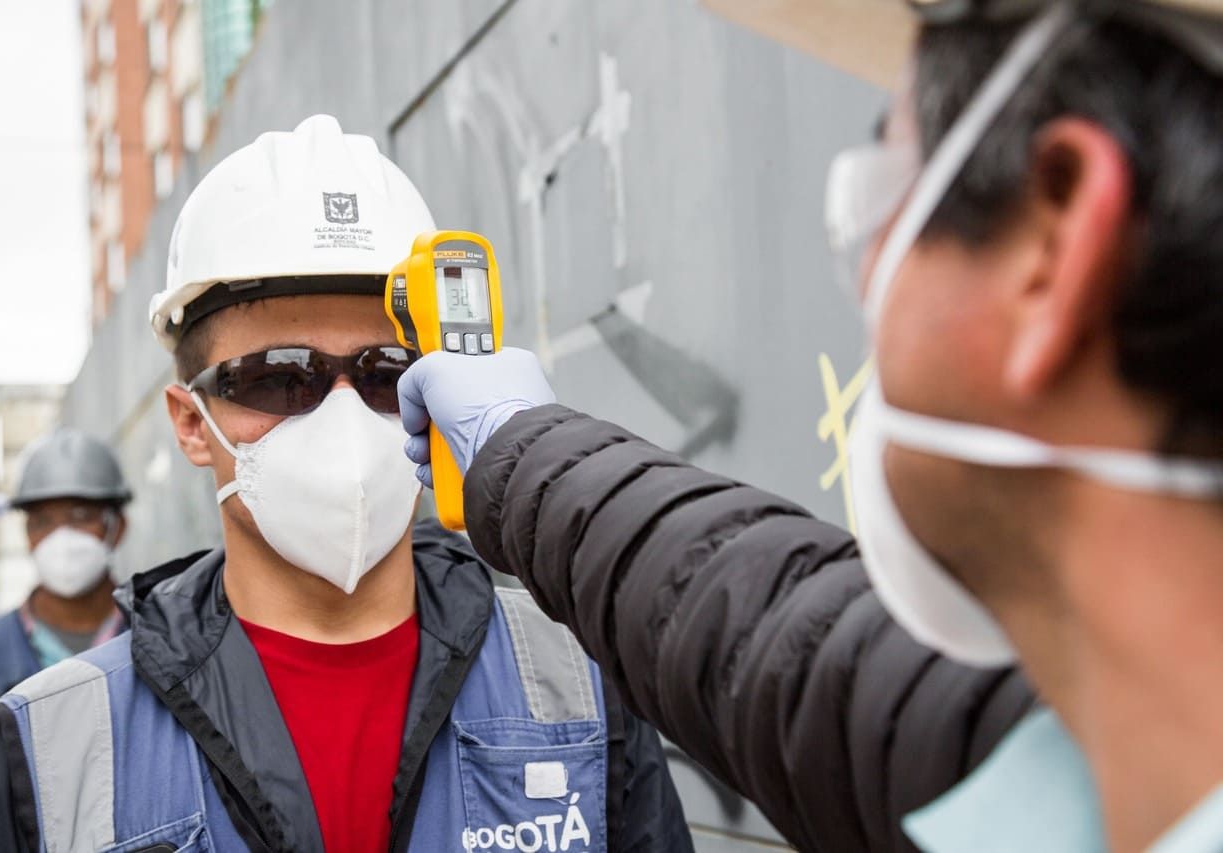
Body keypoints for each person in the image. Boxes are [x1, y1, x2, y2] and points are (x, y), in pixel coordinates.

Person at [397, 1, 1223, 850]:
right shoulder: (1068, 752)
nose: (867, 273)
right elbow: (768, 638)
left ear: (1056, 243)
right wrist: (521, 441)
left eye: (882, 197)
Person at [0, 115, 688, 853]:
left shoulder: (585, 684)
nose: (342, 417)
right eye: (278, 378)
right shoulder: (45, 754)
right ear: (192, 422)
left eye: (386, 373)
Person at [0, 427, 128, 829]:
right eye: (42, 520)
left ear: (119, 526)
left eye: (81, 516)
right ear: (26, 534)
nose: (60, 536)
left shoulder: (164, 637)